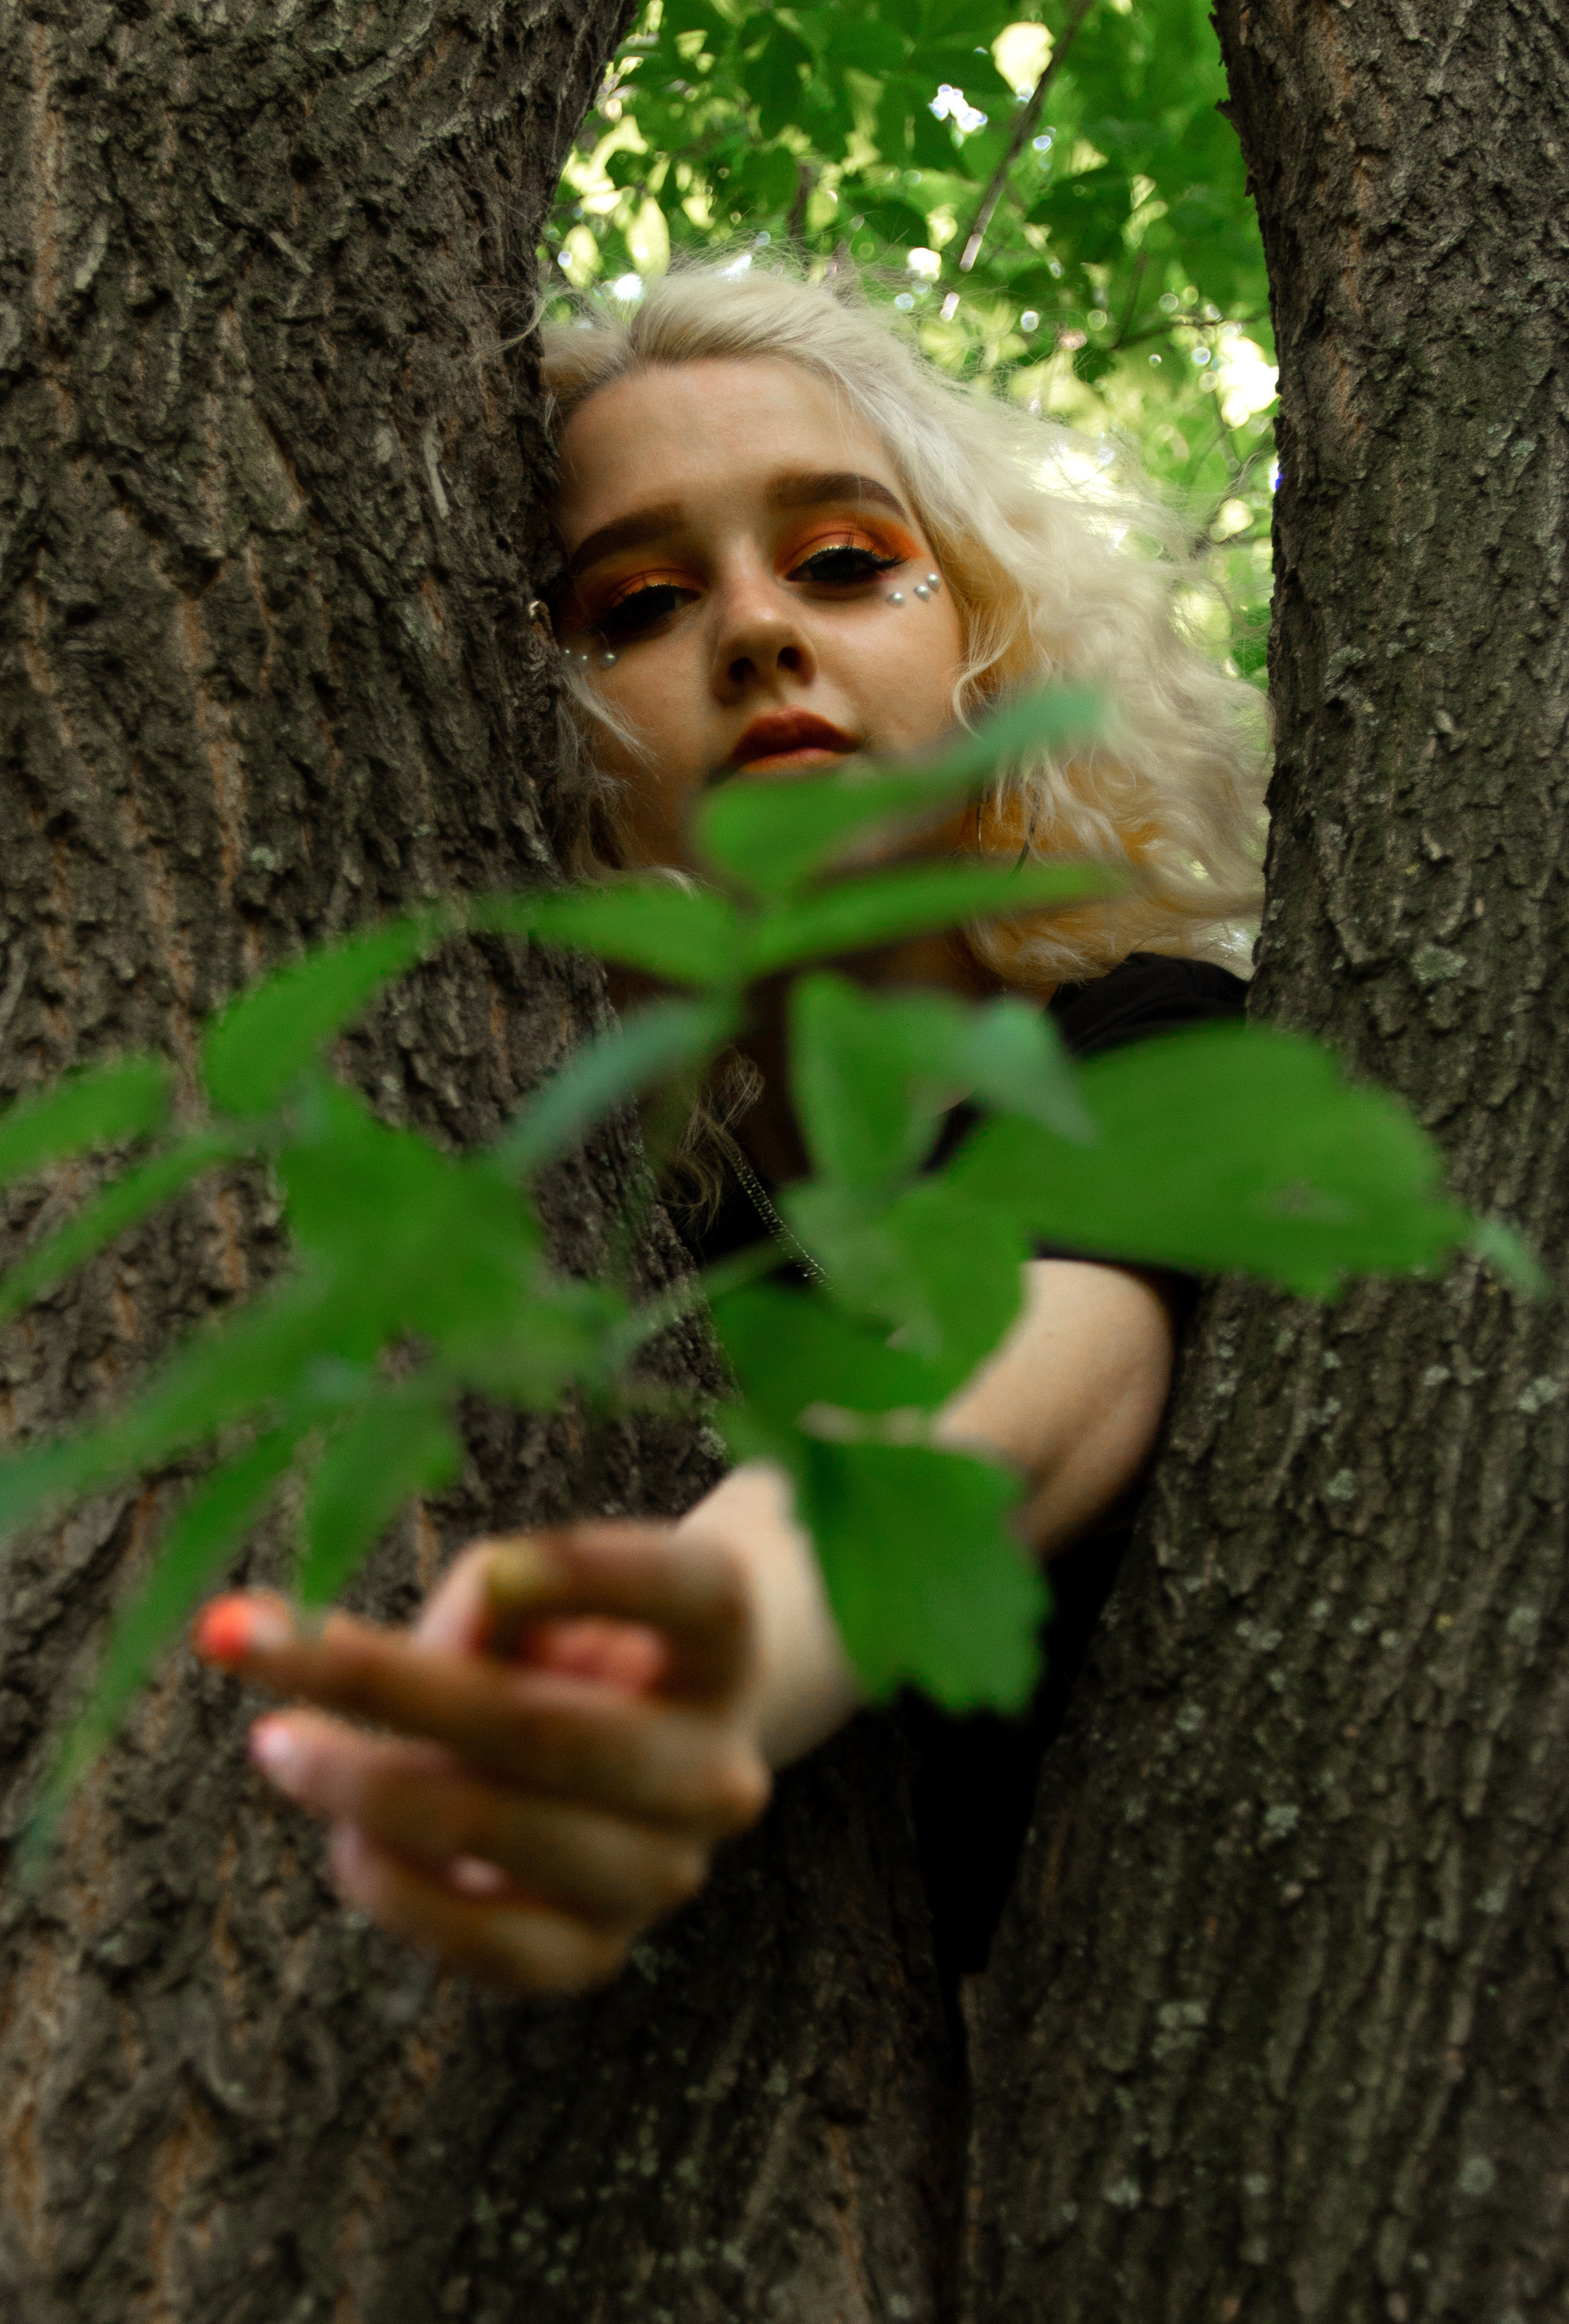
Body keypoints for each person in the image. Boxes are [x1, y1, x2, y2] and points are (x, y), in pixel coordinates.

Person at [194, 262, 1267, 2000]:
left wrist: (676, 1665)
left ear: (987, 643)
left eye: (843, 564)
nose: (760, 632)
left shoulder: (1153, 1044)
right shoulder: (593, 1225)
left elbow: (1037, 1381)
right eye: (629, 605)